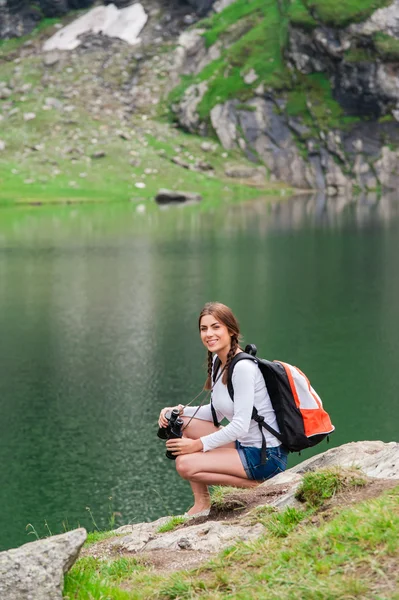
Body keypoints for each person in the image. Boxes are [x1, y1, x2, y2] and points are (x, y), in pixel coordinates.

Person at [158, 302, 288, 516]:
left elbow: (240, 425)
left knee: (185, 464)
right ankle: (202, 504)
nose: (209, 334)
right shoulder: (220, 363)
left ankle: (260, 488)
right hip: (245, 445)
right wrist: (177, 411)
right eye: (204, 328)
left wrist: (198, 445)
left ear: (231, 330)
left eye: (215, 327)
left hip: (266, 456)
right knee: (184, 424)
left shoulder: (243, 368)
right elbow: (216, 413)